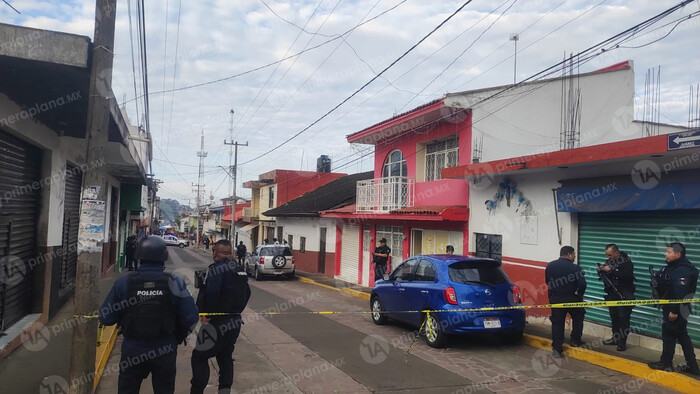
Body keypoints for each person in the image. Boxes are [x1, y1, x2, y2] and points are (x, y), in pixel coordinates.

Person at [99, 236, 199, 394]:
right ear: (164, 258)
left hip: (132, 350)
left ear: (139, 257)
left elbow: (106, 317)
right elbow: (191, 317)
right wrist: (177, 335)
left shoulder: (124, 282)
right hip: (165, 349)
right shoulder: (175, 282)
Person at [191, 239, 251, 394]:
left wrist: (208, 315)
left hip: (216, 323)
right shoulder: (239, 269)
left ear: (214, 253)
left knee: (199, 357)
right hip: (234, 322)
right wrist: (237, 311)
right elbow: (248, 293)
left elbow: (212, 293)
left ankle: (197, 390)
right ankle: (225, 389)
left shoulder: (217, 269)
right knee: (225, 357)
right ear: (231, 253)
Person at [648, 242, 700, 375]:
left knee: (669, 335)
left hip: (676, 308)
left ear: (678, 254)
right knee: (682, 336)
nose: (666, 254)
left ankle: (665, 363)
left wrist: (674, 311)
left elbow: (680, 293)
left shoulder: (682, 269)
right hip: (679, 307)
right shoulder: (673, 267)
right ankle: (693, 367)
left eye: (669, 252)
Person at [545, 246, 587, 358]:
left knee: (557, 323)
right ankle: (575, 340)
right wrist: (579, 295)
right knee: (578, 317)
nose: (574, 257)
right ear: (569, 254)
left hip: (556, 299)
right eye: (574, 254)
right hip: (572, 298)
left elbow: (547, 281)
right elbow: (582, 284)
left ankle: (557, 349)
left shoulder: (550, 266)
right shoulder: (575, 268)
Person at [598, 244, 635, 351]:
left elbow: (625, 275)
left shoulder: (627, 262)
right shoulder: (609, 262)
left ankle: (622, 343)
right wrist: (601, 269)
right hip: (612, 294)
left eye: (610, 255)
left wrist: (611, 270)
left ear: (616, 252)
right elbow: (605, 274)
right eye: (607, 255)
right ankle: (615, 338)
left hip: (624, 294)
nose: (608, 257)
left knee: (623, 318)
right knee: (614, 317)